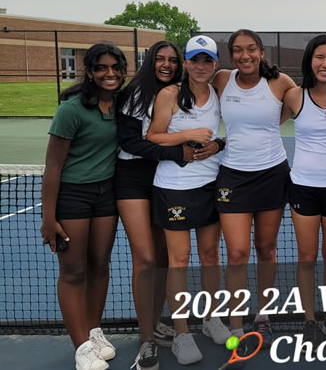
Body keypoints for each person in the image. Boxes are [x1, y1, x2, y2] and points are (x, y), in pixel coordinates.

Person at [40, 43, 127, 370]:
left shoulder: (121, 104)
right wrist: (49, 218)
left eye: (115, 68)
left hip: (106, 195)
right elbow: (52, 167)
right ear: (89, 71)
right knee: (74, 271)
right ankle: (81, 348)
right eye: (102, 68)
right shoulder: (71, 110)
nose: (110, 74)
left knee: (100, 264)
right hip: (73, 196)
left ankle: (94, 333)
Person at [147, 35, 230, 365]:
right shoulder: (169, 94)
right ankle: (182, 333)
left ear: (214, 65)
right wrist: (188, 134)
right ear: (186, 63)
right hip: (174, 187)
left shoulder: (218, 93)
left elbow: (234, 126)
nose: (200, 66)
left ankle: (211, 319)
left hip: (210, 184)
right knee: (178, 260)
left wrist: (219, 143)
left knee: (211, 255)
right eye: (195, 59)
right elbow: (153, 135)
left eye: (207, 60)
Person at [211, 30, 296, 345]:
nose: (244, 56)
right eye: (237, 50)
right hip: (232, 176)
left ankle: (263, 314)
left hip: (272, 174)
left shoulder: (281, 83)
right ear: (231, 55)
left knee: (266, 249)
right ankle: (235, 324)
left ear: (261, 52)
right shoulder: (221, 79)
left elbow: (300, 104)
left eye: (250, 49)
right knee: (236, 253)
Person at [115, 40, 194, 370]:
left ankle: (158, 320)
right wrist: (174, 153)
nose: (167, 64)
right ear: (150, 62)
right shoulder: (137, 93)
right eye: (160, 59)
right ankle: (146, 339)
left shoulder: (181, 92)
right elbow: (131, 140)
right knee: (146, 258)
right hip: (133, 177)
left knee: (163, 257)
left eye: (172, 60)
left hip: (164, 178)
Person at [281, 35, 326, 347]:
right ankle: (309, 319)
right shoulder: (294, 96)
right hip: (303, 188)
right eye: (319, 57)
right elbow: (267, 123)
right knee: (307, 257)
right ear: (310, 60)